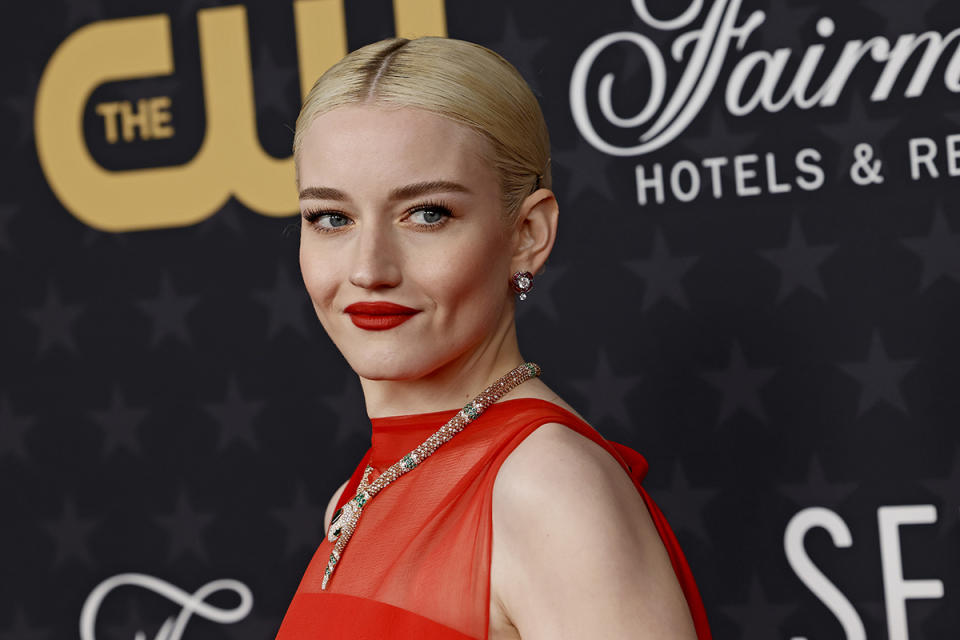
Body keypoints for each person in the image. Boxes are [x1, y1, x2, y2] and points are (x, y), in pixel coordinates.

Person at [276, 36, 711, 639]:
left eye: (427, 214)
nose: (369, 269)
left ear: (528, 233)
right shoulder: (358, 493)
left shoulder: (545, 490)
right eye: (332, 218)